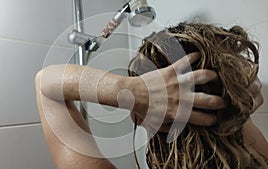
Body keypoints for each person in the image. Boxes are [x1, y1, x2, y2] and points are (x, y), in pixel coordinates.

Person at [35, 22, 267, 169]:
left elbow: (45, 83)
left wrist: (130, 90)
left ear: (139, 117)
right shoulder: (261, 157)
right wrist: (234, 101)